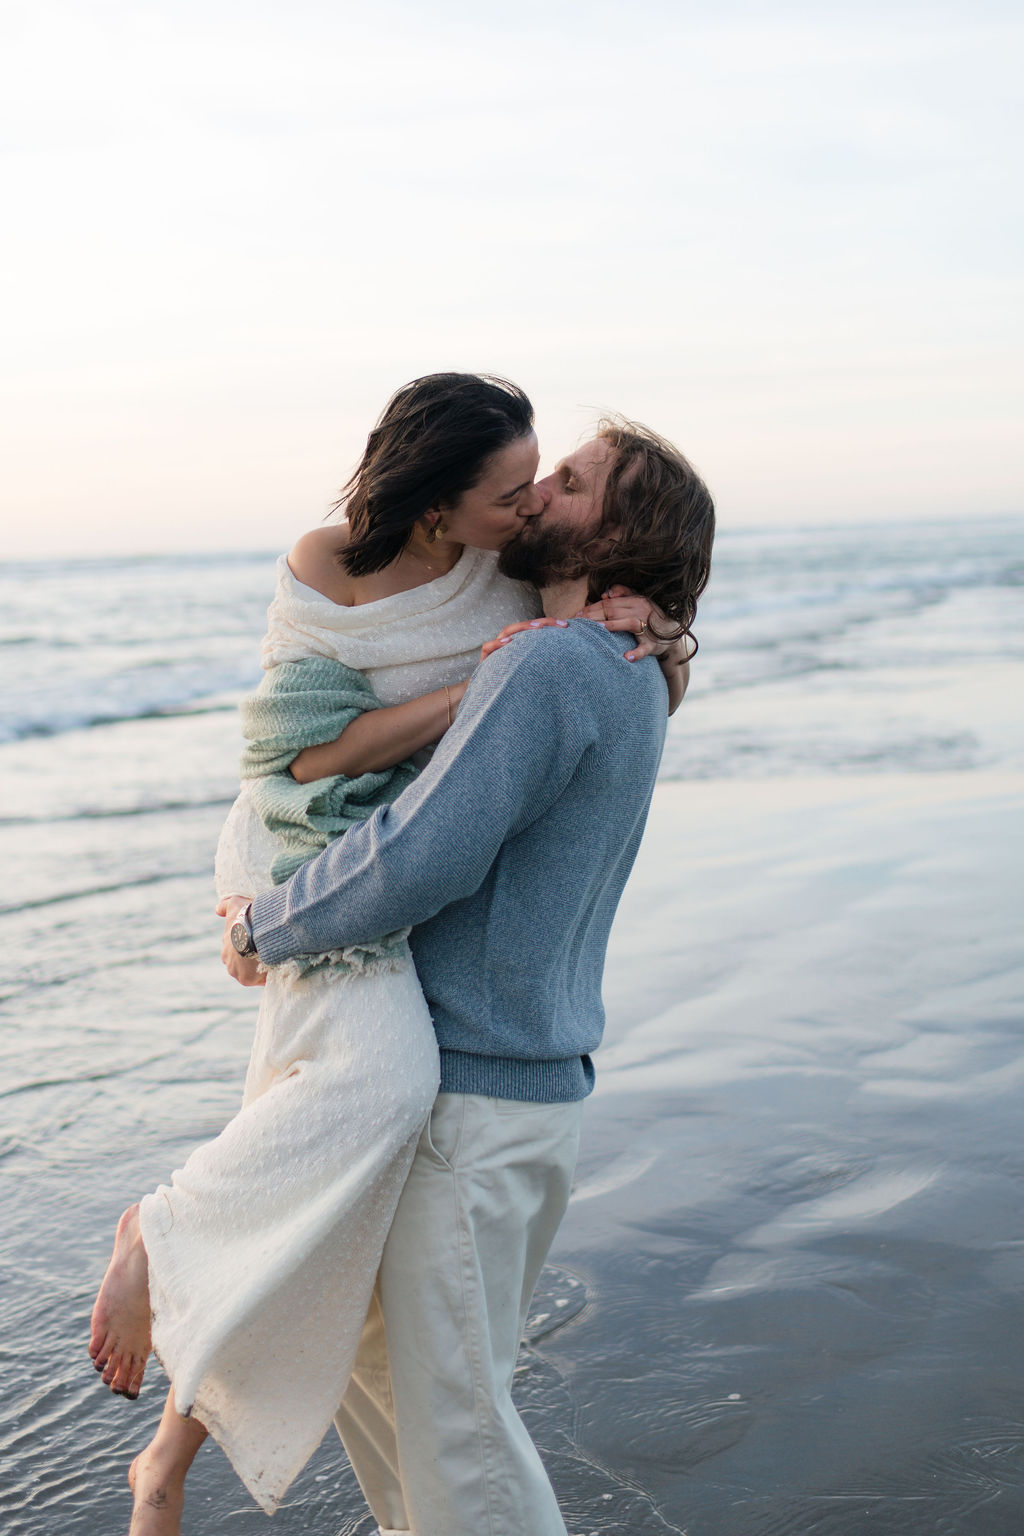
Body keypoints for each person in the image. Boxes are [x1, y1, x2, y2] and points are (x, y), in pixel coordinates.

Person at [87, 374, 687, 1533]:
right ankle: (164, 1441)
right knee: (374, 1369)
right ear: (437, 504)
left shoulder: (571, 651)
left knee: (447, 1433)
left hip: (461, 1074)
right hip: (333, 883)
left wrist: (271, 928)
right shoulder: (565, 644)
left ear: (609, 534)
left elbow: (426, 857)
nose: (536, 495)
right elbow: (296, 755)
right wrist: (586, 652)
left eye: (560, 483)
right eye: (522, 482)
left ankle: (158, 1248)